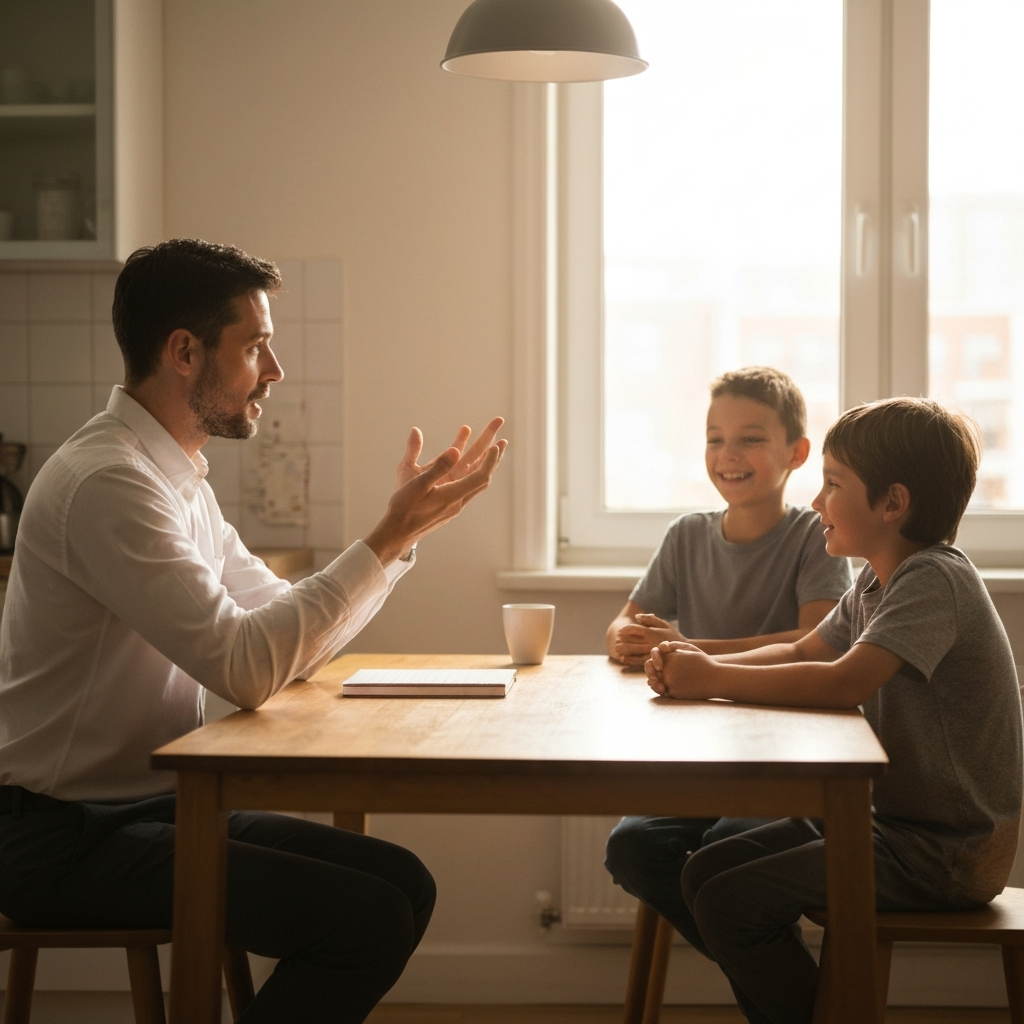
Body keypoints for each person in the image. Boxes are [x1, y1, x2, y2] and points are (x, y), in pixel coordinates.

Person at [0, 239, 507, 1024]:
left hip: (149, 808)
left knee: (403, 886)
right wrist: (383, 537)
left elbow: (283, 632)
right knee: (363, 921)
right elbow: (246, 667)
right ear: (183, 352)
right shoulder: (110, 484)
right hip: (61, 839)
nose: (274, 371)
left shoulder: (174, 478)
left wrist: (398, 540)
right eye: (256, 346)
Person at [644, 397, 1023, 1024]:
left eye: (833, 485)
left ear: (892, 503)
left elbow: (843, 681)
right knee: (705, 872)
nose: (817, 502)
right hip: (891, 826)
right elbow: (803, 647)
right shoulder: (878, 581)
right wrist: (695, 663)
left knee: (731, 902)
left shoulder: (934, 579)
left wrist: (709, 677)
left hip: (946, 854)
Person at [604, 367, 852, 924]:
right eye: (715, 438)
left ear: (796, 453)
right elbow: (621, 625)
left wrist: (692, 648)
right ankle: (766, 968)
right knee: (632, 848)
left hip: (782, 766)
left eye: (751, 438)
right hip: (694, 763)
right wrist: (629, 639)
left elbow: (818, 642)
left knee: (724, 850)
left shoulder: (818, 535)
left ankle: (769, 975)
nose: (727, 453)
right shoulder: (686, 534)